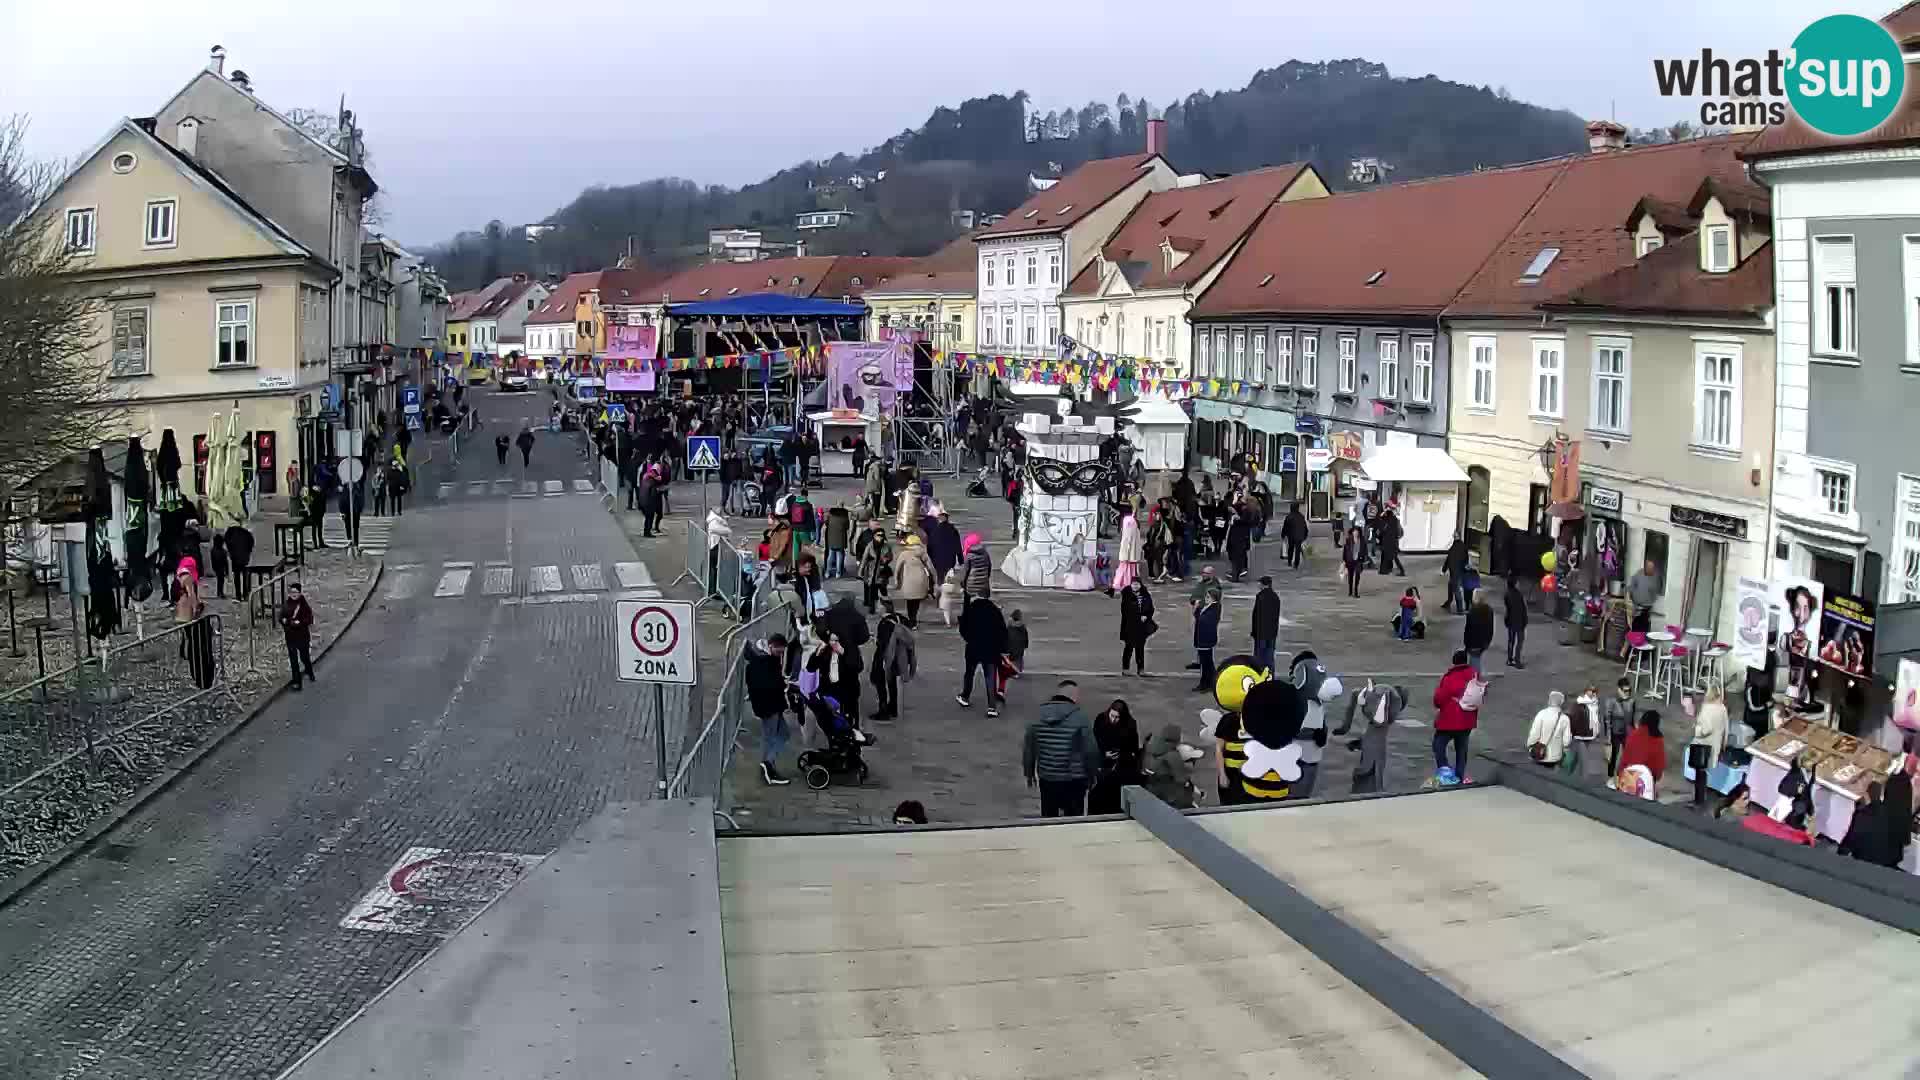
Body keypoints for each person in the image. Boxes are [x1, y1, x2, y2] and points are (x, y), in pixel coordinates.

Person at [1023, 680, 1100, 817]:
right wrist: (1092, 774)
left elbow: (1029, 748)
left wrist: (1029, 773)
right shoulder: (1080, 717)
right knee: (1074, 820)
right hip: (1074, 780)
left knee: (1049, 817)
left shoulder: (1037, 716)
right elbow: (1090, 750)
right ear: (1074, 696)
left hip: (1047, 777)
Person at [1334, 680, 1405, 794]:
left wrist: (1358, 772)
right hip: (1373, 754)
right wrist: (1360, 743)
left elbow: (1368, 760)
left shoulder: (1380, 724)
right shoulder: (1380, 727)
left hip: (1370, 770)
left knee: (1369, 783)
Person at [744, 634, 792, 785]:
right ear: (771, 646)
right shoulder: (766, 662)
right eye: (779, 652)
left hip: (767, 704)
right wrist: (784, 685)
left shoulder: (757, 659)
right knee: (773, 736)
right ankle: (768, 765)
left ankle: (767, 764)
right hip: (770, 705)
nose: (781, 655)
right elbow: (770, 684)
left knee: (779, 734)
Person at [1088, 700, 1144, 814]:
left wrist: (1122, 754)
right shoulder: (1101, 720)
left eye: (1117, 717)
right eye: (1112, 716)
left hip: (1121, 767)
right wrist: (1104, 754)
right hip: (1104, 765)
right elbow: (1095, 742)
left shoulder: (1130, 724)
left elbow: (1133, 747)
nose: (1113, 720)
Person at [1432, 650, 1481, 781]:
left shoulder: (1450, 677)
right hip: (1467, 720)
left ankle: (1445, 771)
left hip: (1450, 720)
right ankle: (1459, 775)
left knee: (1438, 744)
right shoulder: (1474, 676)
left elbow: (1438, 699)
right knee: (1461, 749)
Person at [957, 594, 1008, 717]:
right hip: (991, 649)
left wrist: (969, 638)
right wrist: (1002, 649)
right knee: (990, 678)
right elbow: (1002, 631)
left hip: (973, 647)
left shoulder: (971, 609)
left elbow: (963, 628)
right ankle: (992, 707)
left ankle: (965, 697)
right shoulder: (994, 610)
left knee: (969, 673)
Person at [870, 602, 916, 723]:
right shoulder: (900, 618)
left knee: (879, 681)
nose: (877, 608)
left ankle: (883, 710)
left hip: (886, 658)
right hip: (900, 657)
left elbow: (882, 644)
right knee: (892, 682)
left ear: (884, 608)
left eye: (879, 606)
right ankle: (893, 707)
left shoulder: (885, 623)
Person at [1689, 682, 1730, 807]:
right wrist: (1724, 744)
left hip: (1703, 746)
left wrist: (1696, 729)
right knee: (1704, 774)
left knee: (1700, 775)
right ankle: (1701, 798)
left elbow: (1705, 729)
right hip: (1714, 746)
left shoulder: (1707, 708)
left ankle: (1698, 801)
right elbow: (1726, 728)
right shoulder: (1722, 708)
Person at [1142, 722, 1197, 808]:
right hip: (1169, 797)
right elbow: (1181, 779)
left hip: (1150, 791)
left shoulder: (1151, 749)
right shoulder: (1173, 754)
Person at [890, 533, 936, 628]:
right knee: (916, 602)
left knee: (910, 602)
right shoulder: (923, 553)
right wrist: (934, 579)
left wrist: (896, 581)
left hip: (908, 581)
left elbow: (898, 569)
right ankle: (913, 618)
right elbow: (931, 568)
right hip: (921, 580)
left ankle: (912, 620)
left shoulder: (904, 554)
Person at [281, 581, 317, 690]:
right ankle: (297, 682)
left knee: (304, 657)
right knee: (293, 660)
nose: (293, 594)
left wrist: (299, 623)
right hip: (290, 636)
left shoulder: (304, 605)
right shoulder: (287, 604)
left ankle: (309, 670)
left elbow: (309, 619)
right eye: (292, 592)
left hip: (302, 636)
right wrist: (285, 621)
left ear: (300, 593)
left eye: (296, 592)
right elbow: (281, 616)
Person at [1619, 710, 1666, 786]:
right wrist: (1657, 777)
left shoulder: (1633, 735)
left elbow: (1625, 757)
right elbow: (1659, 764)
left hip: (1629, 777)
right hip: (1647, 779)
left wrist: (1620, 773)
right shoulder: (1658, 740)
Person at [1526, 690, 1572, 768]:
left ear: (1549, 701)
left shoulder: (1541, 714)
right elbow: (1566, 742)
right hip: (1556, 757)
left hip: (1539, 755)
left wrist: (1529, 745)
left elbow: (1534, 734)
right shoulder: (1565, 718)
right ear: (1561, 703)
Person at [1119, 578, 1155, 676]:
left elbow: (1151, 609)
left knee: (1140, 649)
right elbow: (1125, 611)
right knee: (1129, 648)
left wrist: (1146, 616)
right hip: (1129, 626)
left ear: (1140, 585)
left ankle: (1141, 669)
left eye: (1137, 584)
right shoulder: (1127, 595)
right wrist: (1138, 616)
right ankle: (1125, 669)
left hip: (1141, 627)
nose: (1135, 586)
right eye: (1133, 584)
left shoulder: (1145, 595)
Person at [1190, 586, 1221, 693]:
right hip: (1203, 638)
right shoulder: (1208, 606)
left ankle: (1205, 683)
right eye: (1206, 596)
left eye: (1208, 597)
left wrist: (1198, 610)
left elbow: (1203, 620)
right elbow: (1196, 615)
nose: (1206, 598)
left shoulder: (1214, 608)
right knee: (1207, 662)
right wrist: (1197, 608)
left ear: (1214, 598)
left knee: (1205, 663)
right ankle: (1211, 682)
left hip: (1206, 639)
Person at [1604, 676, 1636, 776]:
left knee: (1628, 756)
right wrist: (1608, 739)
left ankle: (1624, 776)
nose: (1628, 693)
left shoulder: (1631, 701)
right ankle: (1610, 775)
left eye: (1629, 690)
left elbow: (1632, 719)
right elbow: (1607, 721)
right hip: (1615, 733)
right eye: (1625, 691)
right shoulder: (1611, 701)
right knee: (1613, 756)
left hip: (1627, 733)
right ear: (1619, 689)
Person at [858, 525, 893, 613]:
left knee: (883, 590)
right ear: (874, 536)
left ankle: (888, 608)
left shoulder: (886, 546)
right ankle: (872, 608)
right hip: (871, 570)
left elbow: (891, 556)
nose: (880, 537)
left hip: (882, 572)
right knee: (872, 590)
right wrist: (860, 571)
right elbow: (864, 559)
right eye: (878, 535)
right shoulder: (870, 546)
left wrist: (886, 559)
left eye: (882, 535)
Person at [1251, 576, 1280, 673]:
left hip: (1261, 633)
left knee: (1259, 658)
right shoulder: (1275, 597)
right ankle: (1270, 676)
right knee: (1269, 657)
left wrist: (1254, 632)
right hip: (1272, 633)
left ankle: (1259, 675)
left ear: (1263, 584)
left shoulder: (1260, 596)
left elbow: (1257, 616)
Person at [1112, 505, 1143, 593]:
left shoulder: (1127, 521)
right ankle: (1129, 583)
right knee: (1131, 568)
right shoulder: (1133, 520)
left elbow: (1127, 537)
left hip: (1128, 551)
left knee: (1124, 567)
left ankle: (1123, 583)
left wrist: (1126, 551)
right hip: (1133, 550)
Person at [927, 511, 962, 588]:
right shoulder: (953, 530)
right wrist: (960, 559)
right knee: (948, 578)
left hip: (937, 559)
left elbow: (929, 547)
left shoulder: (934, 530)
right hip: (950, 559)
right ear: (947, 518)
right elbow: (958, 546)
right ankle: (947, 593)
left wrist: (931, 558)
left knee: (940, 577)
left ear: (939, 519)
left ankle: (940, 594)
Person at [1627, 559, 1660, 633]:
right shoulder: (1638, 574)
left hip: (1646, 610)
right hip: (1637, 609)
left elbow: (1655, 593)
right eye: (1649, 567)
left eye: (1652, 568)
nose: (1651, 570)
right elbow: (1630, 588)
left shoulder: (1655, 577)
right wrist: (1632, 602)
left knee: (1644, 631)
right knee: (1635, 630)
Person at [1503, 576, 1529, 669]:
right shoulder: (1519, 595)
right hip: (1519, 621)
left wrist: (1506, 620)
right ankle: (1517, 660)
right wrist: (1525, 620)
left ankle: (1509, 659)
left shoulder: (1507, 594)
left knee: (1511, 641)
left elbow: (1508, 609)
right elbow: (1523, 609)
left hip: (1510, 621)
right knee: (1520, 641)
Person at [1442, 533, 1471, 613]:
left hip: (1455, 572)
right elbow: (1466, 558)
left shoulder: (1454, 547)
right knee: (1450, 586)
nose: (1454, 537)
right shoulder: (1462, 546)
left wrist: (1444, 569)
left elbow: (1449, 559)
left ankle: (1460, 609)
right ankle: (1449, 602)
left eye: (1454, 536)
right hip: (1459, 571)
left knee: (1456, 589)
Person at [823, 504, 852, 579]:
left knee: (830, 555)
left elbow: (826, 523)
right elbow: (847, 527)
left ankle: (827, 572)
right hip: (841, 538)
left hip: (831, 537)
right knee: (839, 555)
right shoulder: (844, 517)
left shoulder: (830, 516)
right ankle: (838, 572)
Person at [960, 535, 993, 601]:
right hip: (984, 586)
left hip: (971, 587)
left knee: (968, 601)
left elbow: (966, 572)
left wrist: (963, 584)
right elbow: (989, 567)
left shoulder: (969, 556)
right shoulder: (985, 554)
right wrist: (986, 578)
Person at [1375, 505, 1405, 576]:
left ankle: (1387, 570)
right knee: (1394, 557)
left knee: (1387, 557)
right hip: (1394, 542)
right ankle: (1390, 570)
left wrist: (1384, 512)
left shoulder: (1386, 521)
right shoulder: (1395, 520)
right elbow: (1399, 532)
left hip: (1387, 542)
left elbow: (1381, 521)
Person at [1281, 501, 1309, 570]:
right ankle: (1296, 564)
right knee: (1297, 550)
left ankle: (1290, 561)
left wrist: (1283, 534)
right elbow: (1305, 527)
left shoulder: (1289, 517)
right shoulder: (1301, 516)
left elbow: (1285, 527)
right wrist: (1305, 535)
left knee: (1290, 548)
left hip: (1291, 536)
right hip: (1299, 536)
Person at [1341, 525, 1365, 598]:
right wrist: (1344, 561)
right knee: (1350, 577)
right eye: (1354, 532)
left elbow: (1365, 550)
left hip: (1358, 561)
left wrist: (1364, 558)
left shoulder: (1362, 540)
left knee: (1357, 576)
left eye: (1357, 532)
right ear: (1352, 532)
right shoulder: (1348, 540)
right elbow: (1345, 550)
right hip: (1350, 560)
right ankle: (1350, 590)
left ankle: (1356, 591)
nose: (1356, 533)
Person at [1006, 609, 1029, 676]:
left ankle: (1012, 672)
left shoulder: (1009, 626)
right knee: (1019, 659)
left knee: (1011, 659)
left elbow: (1006, 636)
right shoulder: (1022, 626)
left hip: (1011, 646)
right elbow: (1025, 637)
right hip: (1020, 646)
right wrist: (1025, 645)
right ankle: (1017, 671)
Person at [210, 534, 229, 599]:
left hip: (217, 566)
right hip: (221, 567)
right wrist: (227, 571)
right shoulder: (223, 551)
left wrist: (213, 567)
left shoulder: (213, 550)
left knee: (219, 580)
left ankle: (219, 592)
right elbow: (225, 562)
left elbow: (212, 560)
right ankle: (220, 593)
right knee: (221, 580)